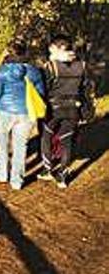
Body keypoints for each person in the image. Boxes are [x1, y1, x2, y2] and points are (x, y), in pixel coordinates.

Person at [0, 43, 45, 190]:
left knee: (2, 142)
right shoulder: (34, 71)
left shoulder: (2, 71)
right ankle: (17, 181)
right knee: (20, 146)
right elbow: (40, 93)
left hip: (4, 110)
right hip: (26, 112)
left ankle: (1, 174)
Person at [37, 36, 89, 188]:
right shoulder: (82, 65)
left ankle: (47, 169)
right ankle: (62, 175)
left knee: (47, 136)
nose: (49, 50)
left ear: (59, 48)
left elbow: (43, 89)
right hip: (74, 108)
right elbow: (86, 88)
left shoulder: (51, 66)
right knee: (66, 140)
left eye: (52, 47)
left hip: (54, 109)